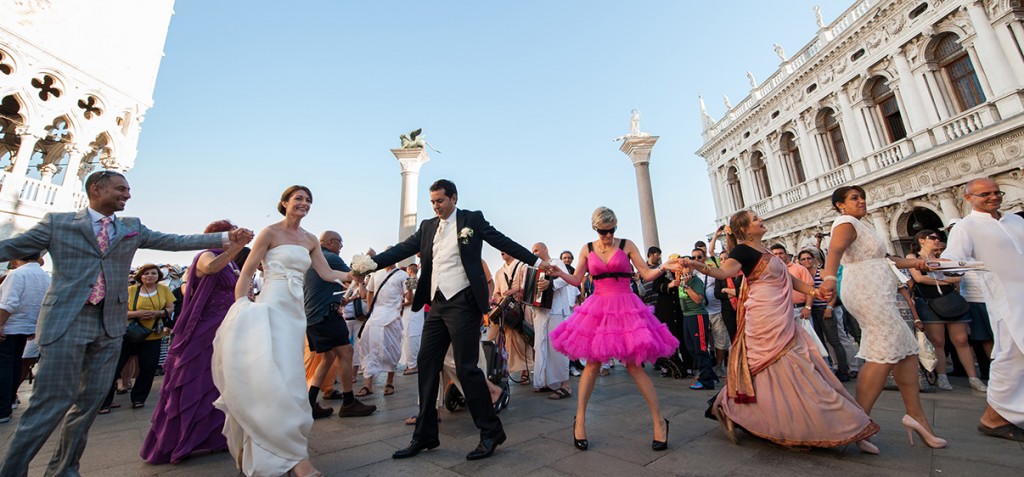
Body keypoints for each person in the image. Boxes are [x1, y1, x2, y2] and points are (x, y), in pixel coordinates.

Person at [0, 171, 250, 476]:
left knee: (88, 405)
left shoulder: (131, 228)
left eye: (128, 190)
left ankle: (64, 469)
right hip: (66, 322)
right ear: (96, 189)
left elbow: (174, 241)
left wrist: (226, 239)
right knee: (49, 403)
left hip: (109, 325)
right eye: (121, 189)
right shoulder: (58, 223)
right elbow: (9, 248)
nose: (128, 194)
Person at [370, 179, 550, 461]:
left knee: (467, 368)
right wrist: (371, 264)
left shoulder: (471, 220)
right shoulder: (428, 227)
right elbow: (401, 249)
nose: (436, 206)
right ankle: (425, 434)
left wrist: (536, 262)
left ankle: (491, 432)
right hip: (437, 304)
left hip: (464, 302)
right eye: (432, 202)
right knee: (427, 364)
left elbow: (502, 240)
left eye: (440, 201)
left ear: (453, 198)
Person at [691, 210, 879, 453]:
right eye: (755, 219)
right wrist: (696, 265)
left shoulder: (766, 251)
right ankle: (816, 424)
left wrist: (814, 292)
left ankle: (816, 424)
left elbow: (789, 279)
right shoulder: (741, 252)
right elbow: (722, 273)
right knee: (787, 369)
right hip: (764, 319)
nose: (760, 220)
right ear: (746, 229)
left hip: (783, 317)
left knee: (802, 368)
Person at [212, 185, 353, 477]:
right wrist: (240, 305)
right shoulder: (270, 233)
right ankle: (289, 457)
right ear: (284, 203)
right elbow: (249, 271)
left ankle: (288, 449)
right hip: (272, 305)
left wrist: (351, 274)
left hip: (295, 312)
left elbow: (326, 273)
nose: (304, 203)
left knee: (290, 377)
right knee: (268, 373)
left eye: (308, 200)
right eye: (298, 199)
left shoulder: (311, 239)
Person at [819, 185, 947, 449]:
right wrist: (829, 279)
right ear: (840, 205)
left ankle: (916, 416)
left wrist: (918, 263)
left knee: (906, 349)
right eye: (854, 198)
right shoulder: (845, 223)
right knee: (884, 350)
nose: (861, 201)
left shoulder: (862, 226)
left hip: (879, 290)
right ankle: (859, 423)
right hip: (866, 292)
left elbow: (887, 259)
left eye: (862, 197)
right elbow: (834, 252)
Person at [549, 207, 679, 452]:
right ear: (595, 229)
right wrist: (559, 274)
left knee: (634, 365)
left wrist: (665, 266)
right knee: (592, 364)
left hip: (626, 306)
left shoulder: (627, 244)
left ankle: (659, 421)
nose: (607, 235)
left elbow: (647, 274)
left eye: (611, 230)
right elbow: (577, 280)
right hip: (598, 307)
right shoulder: (587, 248)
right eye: (603, 231)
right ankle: (580, 421)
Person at [141, 220, 248, 463]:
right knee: (195, 379)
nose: (235, 238)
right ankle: (180, 439)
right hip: (205, 326)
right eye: (230, 234)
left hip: (226, 324)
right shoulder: (206, 255)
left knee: (216, 381)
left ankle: (212, 436)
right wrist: (234, 247)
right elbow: (210, 269)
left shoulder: (231, 261)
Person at [941, 178, 1024, 441]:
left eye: (996, 192)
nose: (993, 197)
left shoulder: (1015, 220)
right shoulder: (966, 226)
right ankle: (993, 417)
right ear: (968, 198)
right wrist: (940, 265)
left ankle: (1000, 414)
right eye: (985, 194)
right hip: (1004, 298)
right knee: (1009, 354)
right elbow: (953, 259)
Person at [302, 230, 376, 419]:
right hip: (326, 315)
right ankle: (349, 402)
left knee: (326, 358)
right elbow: (352, 275)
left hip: (312, 317)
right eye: (340, 243)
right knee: (346, 352)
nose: (341, 247)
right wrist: (367, 261)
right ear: (331, 242)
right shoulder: (330, 258)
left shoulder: (313, 258)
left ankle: (309, 403)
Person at [907, 229, 985, 392]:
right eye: (933, 238)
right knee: (938, 341)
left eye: (938, 238)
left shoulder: (944, 259)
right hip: (928, 302)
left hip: (950, 300)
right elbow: (920, 278)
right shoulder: (912, 258)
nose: (937, 241)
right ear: (921, 240)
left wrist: (936, 279)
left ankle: (973, 378)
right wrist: (944, 281)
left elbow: (958, 277)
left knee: (962, 340)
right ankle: (942, 376)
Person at [101, 263, 176, 412]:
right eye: (146, 273)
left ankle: (138, 398)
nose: (150, 276)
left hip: (153, 335)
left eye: (153, 273)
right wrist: (137, 314)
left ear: (158, 276)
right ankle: (104, 402)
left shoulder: (164, 289)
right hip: (129, 334)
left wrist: (158, 314)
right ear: (140, 276)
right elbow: (118, 311)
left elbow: (170, 308)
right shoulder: (131, 290)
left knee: (148, 368)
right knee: (114, 368)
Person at [0, 253, 49, 424]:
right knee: (14, 364)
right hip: (26, 326)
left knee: (5, 366)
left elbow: (8, 303)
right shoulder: (44, 277)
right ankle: (10, 400)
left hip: (9, 326)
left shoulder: (17, 274)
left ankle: (3, 408)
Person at [799, 249, 851, 382]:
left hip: (824, 309)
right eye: (803, 259)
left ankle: (843, 370)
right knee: (820, 341)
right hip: (813, 311)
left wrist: (829, 307)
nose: (806, 261)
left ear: (814, 259)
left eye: (808, 258)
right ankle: (830, 369)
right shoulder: (802, 274)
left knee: (834, 341)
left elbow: (832, 291)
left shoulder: (821, 273)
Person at [358, 261, 408, 396]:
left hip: (392, 316)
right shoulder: (376, 273)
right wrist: (370, 312)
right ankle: (368, 385)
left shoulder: (403, 275)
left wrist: (411, 283)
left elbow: (410, 295)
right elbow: (369, 293)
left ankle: (389, 382)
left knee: (392, 348)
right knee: (366, 345)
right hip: (375, 316)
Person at [530, 242, 572, 399]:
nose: (534, 253)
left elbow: (566, 279)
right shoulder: (534, 269)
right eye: (532, 251)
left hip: (555, 311)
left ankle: (565, 385)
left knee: (557, 348)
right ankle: (546, 382)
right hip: (541, 312)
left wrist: (551, 283)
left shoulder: (556, 262)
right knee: (541, 347)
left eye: (536, 250)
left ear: (545, 249)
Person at [677, 257, 717, 390]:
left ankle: (706, 381)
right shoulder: (681, 281)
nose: (686, 269)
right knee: (690, 347)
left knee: (700, 348)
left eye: (688, 266)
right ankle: (710, 374)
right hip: (687, 317)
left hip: (697, 316)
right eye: (683, 267)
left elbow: (699, 300)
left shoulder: (695, 281)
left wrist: (687, 286)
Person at [401, 263, 423, 375]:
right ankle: (413, 363)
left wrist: (400, 305)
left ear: (409, 270)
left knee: (411, 338)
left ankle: (412, 365)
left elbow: (411, 299)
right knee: (414, 338)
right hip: (416, 314)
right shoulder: (418, 280)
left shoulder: (412, 280)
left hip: (412, 314)